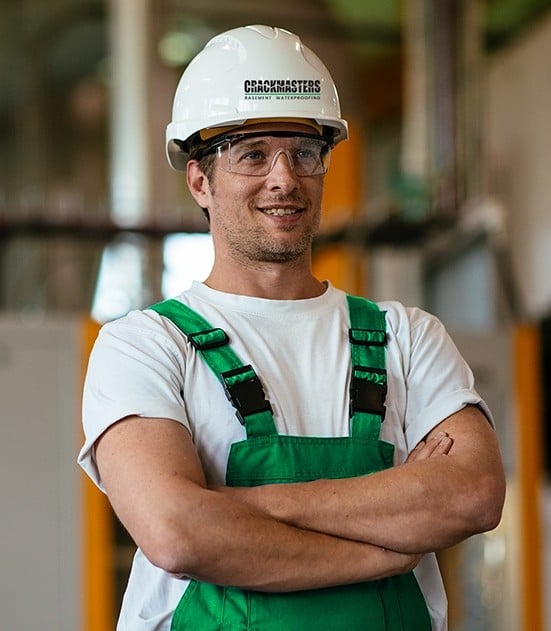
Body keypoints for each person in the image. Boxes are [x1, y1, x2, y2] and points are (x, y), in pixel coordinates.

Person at [78, 24, 505, 631]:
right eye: (252, 154)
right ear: (199, 180)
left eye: (304, 152)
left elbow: (473, 495)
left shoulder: (405, 337)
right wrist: (388, 538)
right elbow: (176, 533)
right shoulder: (145, 347)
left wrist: (241, 507)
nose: (284, 179)